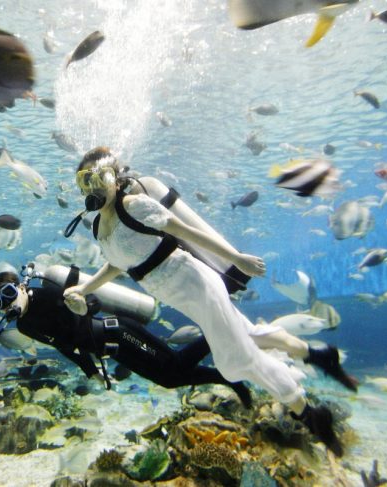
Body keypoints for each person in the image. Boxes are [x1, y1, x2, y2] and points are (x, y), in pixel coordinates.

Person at [63, 146, 357, 457]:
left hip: (196, 284)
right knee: (250, 336)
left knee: (234, 362)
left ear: (115, 178)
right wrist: (85, 289)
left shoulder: (134, 205)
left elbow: (184, 230)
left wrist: (235, 258)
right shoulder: (99, 227)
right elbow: (119, 263)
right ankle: (320, 355)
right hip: (177, 295)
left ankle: (310, 414)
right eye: (84, 182)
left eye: (98, 178)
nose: (92, 188)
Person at [0, 265, 254, 408]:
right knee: (170, 380)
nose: (6, 305)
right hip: (112, 351)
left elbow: (94, 303)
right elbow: (66, 347)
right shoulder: (26, 326)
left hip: (119, 333)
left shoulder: (47, 294)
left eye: (7, 295)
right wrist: (91, 373)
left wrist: (84, 307)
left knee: (176, 365)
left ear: (18, 286)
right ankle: (229, 377)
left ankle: (225, 330)